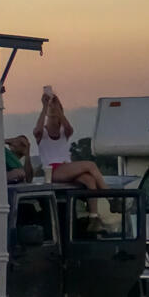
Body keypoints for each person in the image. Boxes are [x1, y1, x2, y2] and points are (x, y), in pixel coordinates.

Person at [33, 90, 108, 222]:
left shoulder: (64, 131)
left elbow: (69, 128)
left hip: (66, 168)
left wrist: (58, 109)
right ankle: (111, 198)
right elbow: (37, 130)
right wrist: (45, 107)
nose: (54, 119)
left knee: (90, 180)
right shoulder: (42, 133)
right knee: (90, 165)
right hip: (53, 170)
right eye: (51, 117)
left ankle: (93, 217)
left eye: (56, 117)